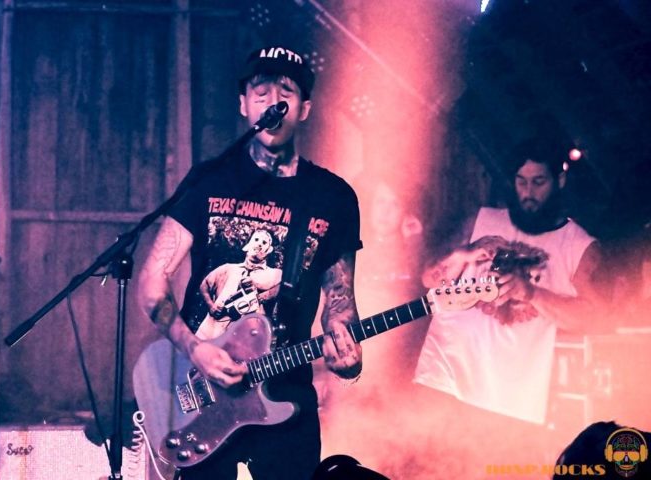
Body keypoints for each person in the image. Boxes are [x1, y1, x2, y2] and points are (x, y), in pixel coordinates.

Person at [137, 45, 363, 480]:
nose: (271, 100)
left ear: (304, 109)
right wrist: (196, 349)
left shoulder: (332, 197)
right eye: (259, 91)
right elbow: (151, 281)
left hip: (286, 399)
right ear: (244, 105)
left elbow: (341, 302)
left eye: (287, 91)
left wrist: (348, 355)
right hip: (202, 393)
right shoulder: (209, 180)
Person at [408, 138, 603, 475]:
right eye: (521, 181)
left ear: (560, 180)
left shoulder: (579, 244)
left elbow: (594, 318)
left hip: (508, 400)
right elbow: (428, 278)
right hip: (443, 379)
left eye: (538, 182)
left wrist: (532, 294)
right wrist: (460, 254)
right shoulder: (480, 219)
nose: (528, 191)